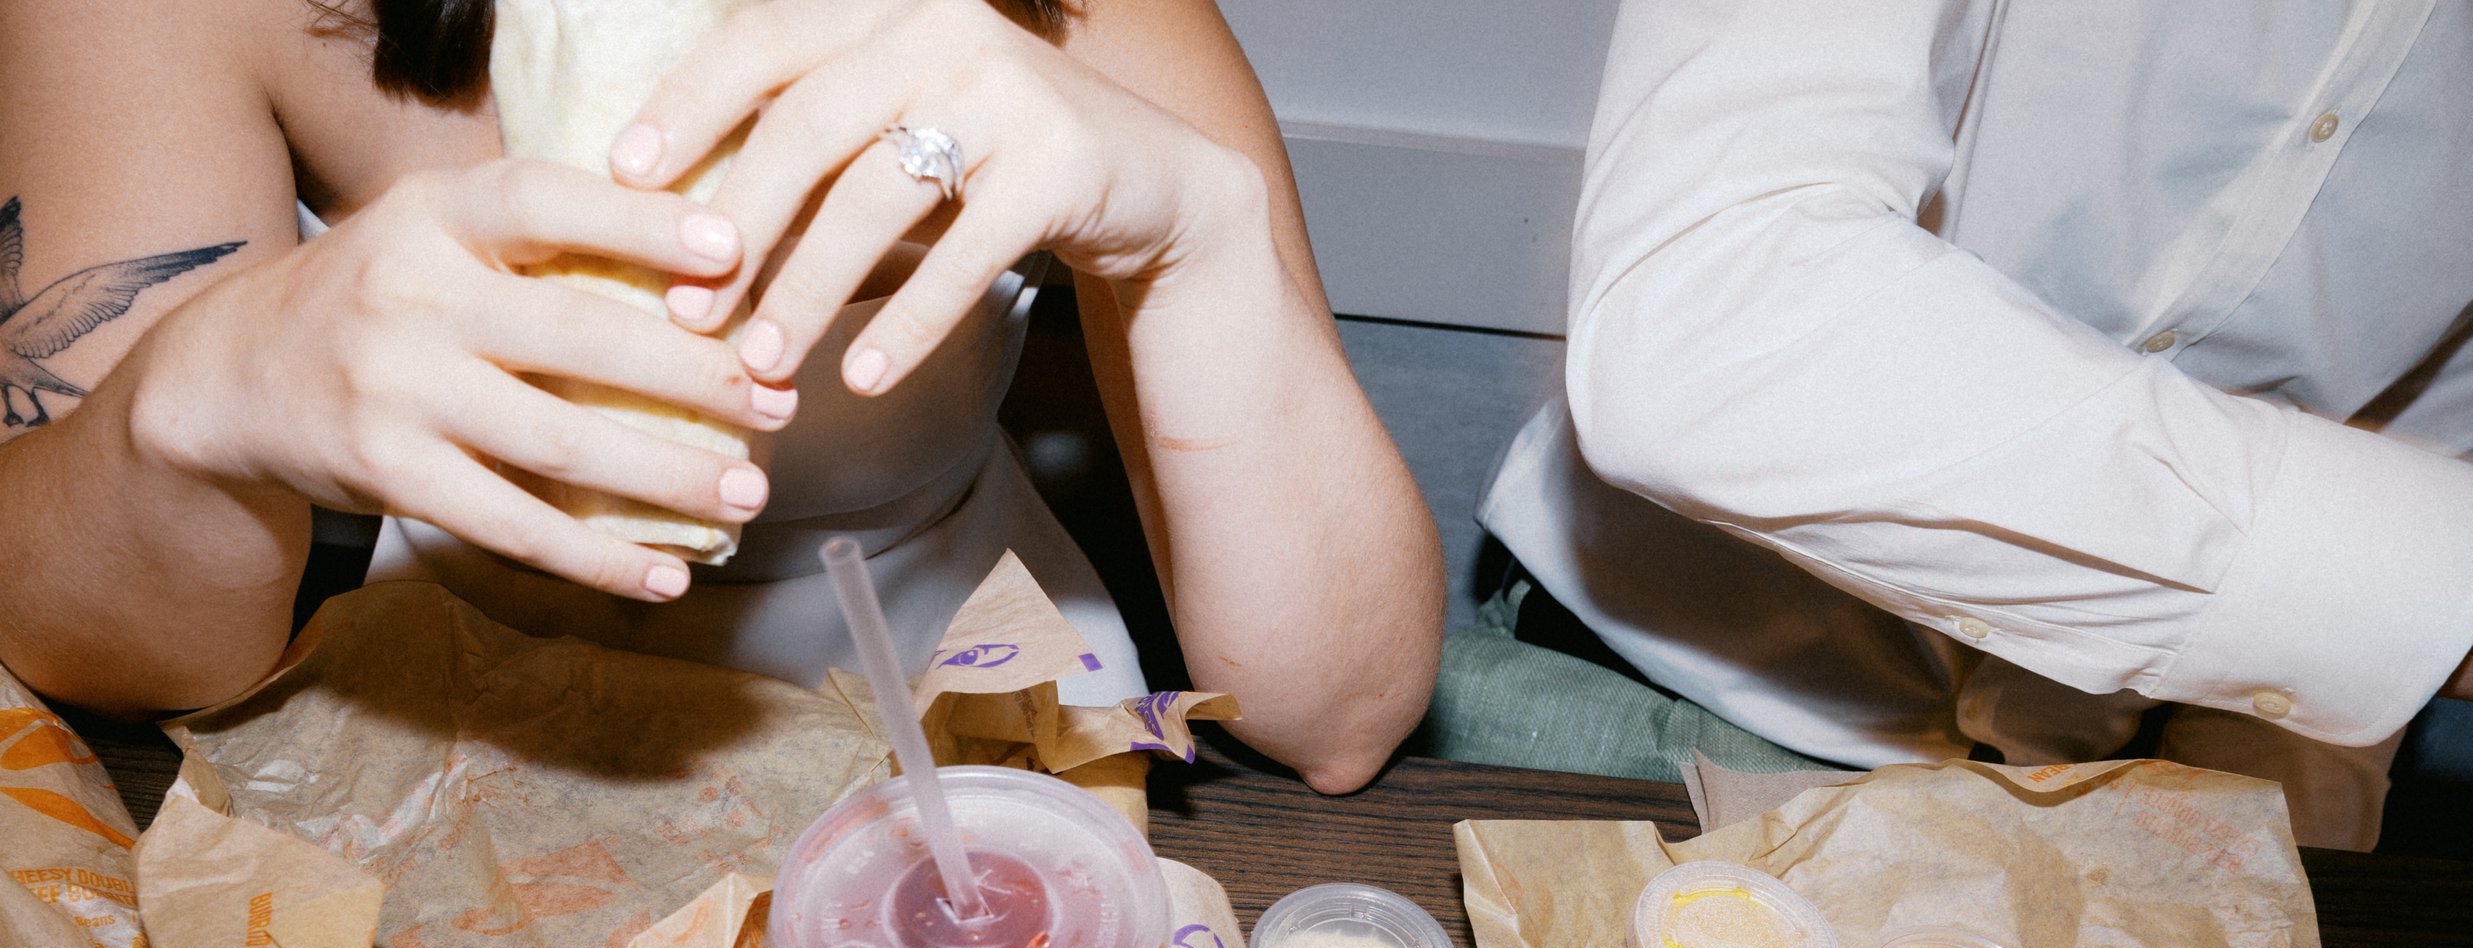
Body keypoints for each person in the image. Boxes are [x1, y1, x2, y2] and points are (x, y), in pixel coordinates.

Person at [0, 0, 1442, 794]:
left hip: (975, 720)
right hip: (450, 752)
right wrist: (183, 405)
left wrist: (1200, 242)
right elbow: (136, 660)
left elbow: (1343, 714)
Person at [1471, 0, 2473, 848]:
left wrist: (2279, 858)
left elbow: (2420, 450)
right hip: (1644, 698)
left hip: (2126, 811)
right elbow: (1705, 327)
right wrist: (2456, 590)